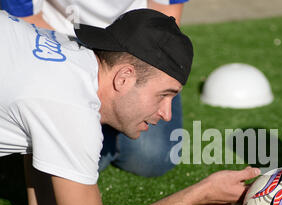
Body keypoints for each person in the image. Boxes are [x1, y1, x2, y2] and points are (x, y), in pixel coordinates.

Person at [0, 9, 260, 205]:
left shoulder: (69, 54)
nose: (168, 114)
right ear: (124, 77)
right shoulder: (71, 109)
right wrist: (198, 194)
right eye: (164, 95)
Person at [0, 0, 189, 177]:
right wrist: (198, 195)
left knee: (152, 158)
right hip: (62, 38)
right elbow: (25, 21)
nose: (167, 115)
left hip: (137, 50)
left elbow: (165, 23)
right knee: (82, 158)